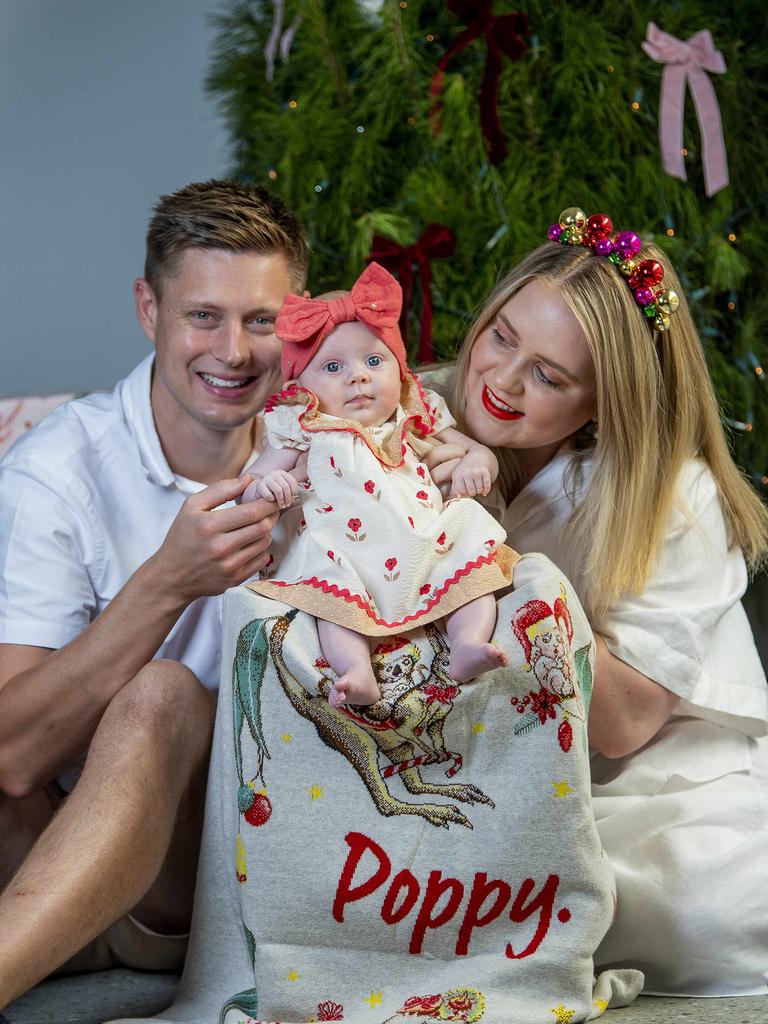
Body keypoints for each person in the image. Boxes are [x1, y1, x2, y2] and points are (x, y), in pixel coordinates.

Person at [424, 206, 768, 997]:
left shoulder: (677, 496)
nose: (502, 381)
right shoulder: (420, 409)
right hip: (484, 762)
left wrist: (482, 540)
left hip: (645, 782)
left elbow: (622, 728)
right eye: (502, 336)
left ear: (604, 402)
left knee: (709, 910)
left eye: (550, 375)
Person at [0, 179, 309, 1007]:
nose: (235, 352)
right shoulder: (55, 473)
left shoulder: (327, 456)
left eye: (263, 320)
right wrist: (169, 582)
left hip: (202, 880)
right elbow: (12, 754)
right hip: (36, 855)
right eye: (204, 316)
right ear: (150, 310)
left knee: (165, 694)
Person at [243, 262, 516, 707]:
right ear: (300, 385)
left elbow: (475, 450)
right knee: (331, 597)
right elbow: (249, 482)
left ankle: (467, 643)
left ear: (399, 368)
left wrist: (478, 463)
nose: (359, 376)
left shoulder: (414, 412)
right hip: (344, 550)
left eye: (374, 360)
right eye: (333, 366)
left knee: (470, 552)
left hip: (420, 542)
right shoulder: (304, 426)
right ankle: (355, 670)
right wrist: (267, 484)